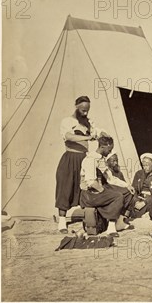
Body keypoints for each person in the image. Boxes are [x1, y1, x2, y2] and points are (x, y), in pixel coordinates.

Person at [55, 96, 105, 233]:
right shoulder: (67, 121)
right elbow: (69, 136)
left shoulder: (88, 122)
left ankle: (88, 219)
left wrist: (102, 134)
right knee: (65, 187)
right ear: (76, 106)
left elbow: (98, 131)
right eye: (83, 110)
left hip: (84, 158)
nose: (85, 113)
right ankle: (61, 222)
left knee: (85, 186)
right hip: (70, 158)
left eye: (87, 111)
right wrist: (88, 137)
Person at [79, 136, 132, 236]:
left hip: (97, 191)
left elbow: (110, 178)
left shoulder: (100, 159)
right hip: (89, 194)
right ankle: (111, 228)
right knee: (117, 196)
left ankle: (119, 223)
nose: (110, 152)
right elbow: (91, 182)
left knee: (127, 192)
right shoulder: (90, 159)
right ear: (103, 146)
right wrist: (105, 192)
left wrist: (127, 185)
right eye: (109, 149)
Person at [130, 153, 152, 219]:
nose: (145, 167)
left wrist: (144, 202)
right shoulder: (139, 173)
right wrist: (136, 200)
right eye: (143, 165)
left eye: (147, 165)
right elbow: (133, 189)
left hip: (150, 200)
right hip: (139, 198)